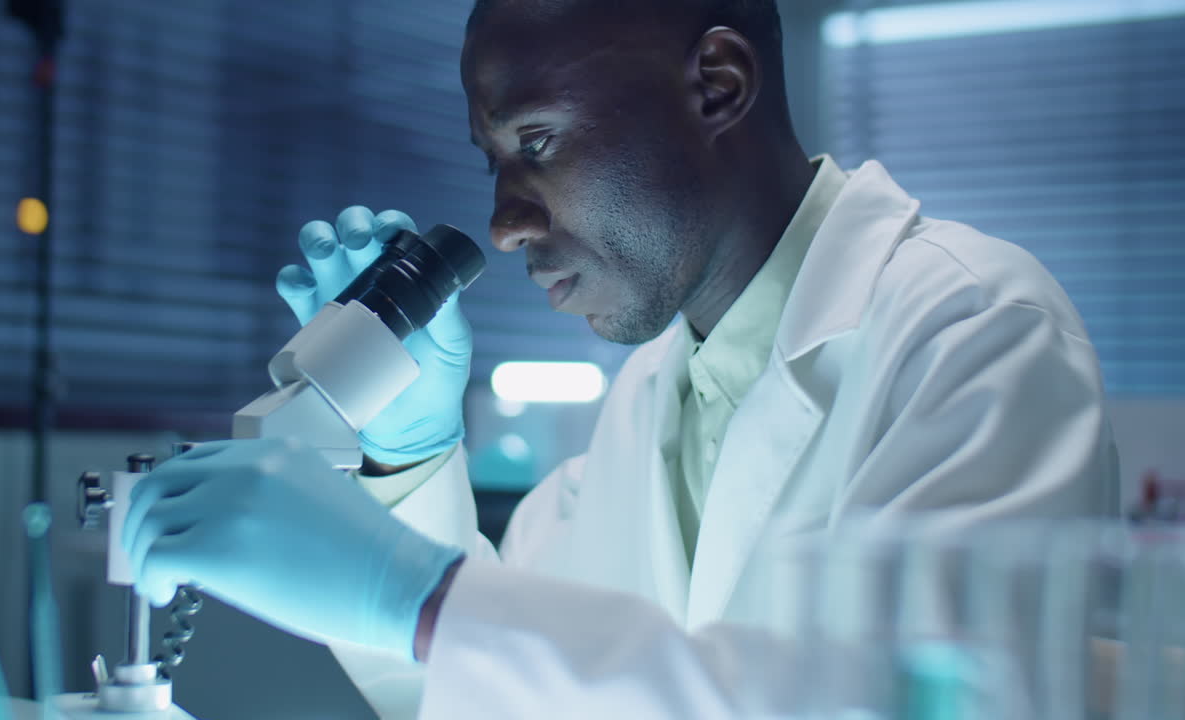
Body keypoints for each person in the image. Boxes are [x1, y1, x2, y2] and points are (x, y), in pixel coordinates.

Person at [123, 0, 1119, 717]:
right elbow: (489, 692)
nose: (505, 224)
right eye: (495, 162)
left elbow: (907, 708)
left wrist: (415, 595)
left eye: (540, 141)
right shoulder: (655, 389)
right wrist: (412, 457)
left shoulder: (974, 331)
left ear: (716, 84)